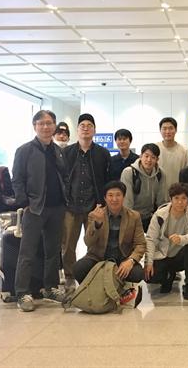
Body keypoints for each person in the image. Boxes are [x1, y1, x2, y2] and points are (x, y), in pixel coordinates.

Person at [12, 110, 68, 312]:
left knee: (53, 251)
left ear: (54, 126)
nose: (46, 127)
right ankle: (22, 292)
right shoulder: (24, 150)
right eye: (41, 123)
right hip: (35, 208)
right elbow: (17, 179)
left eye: (49, 123)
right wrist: (24, 202)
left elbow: (63, 176)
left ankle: (50, 287)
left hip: (57, 207)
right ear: (34, 126)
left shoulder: (58, 150)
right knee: (27, 252)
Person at [62, 113, 111, 291]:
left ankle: (95, 273)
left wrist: (103, 203)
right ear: (77, 130)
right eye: (82, 125)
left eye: (89, 125)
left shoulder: (102, 153)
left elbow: (107, 179)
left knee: (96, 242)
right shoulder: (66, 152)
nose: (86, 128)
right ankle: (69, 275)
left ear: (94, 130)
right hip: (71, 205)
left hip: (94, 206)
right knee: (68, 244)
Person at [72, 181, 145, 293]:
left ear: (123, 197)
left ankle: (119, 287)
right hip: (98, 258)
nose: (114, 199)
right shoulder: (94, 215)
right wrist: (97, 224)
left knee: (138, 273)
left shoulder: (134, 216)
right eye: (110, 195)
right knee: (78, 269)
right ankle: (96, 290)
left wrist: (130, 261)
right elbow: (88, 242)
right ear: (105, 198)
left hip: (122, 258)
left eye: (118, 195)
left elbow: (140, 244)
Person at [144, 183, 188, 300]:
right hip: (162, 255)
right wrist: (149, 262)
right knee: (151, 278)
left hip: (180, 255)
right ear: (171, 199)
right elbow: (150, 239)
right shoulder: (160, 215)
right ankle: (168, 276)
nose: (180, 202)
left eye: (184, 198)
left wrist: (181, 239)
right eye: (176, 198)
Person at [120, 143, 168, 233]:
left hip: (151, 218)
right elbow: (127, 202)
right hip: (132, 218)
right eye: (146, 156)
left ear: (157, 160)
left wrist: (161, 220)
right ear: (140, 156)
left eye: (153, 157)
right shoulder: (129, 173)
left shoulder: (160, 174)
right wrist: (130, 222)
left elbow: (162, 201)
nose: (149, 160)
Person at [157, 117, 188, 186]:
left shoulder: (184, 151)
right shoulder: (155, 149)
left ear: (176, 130)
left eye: (171, 128)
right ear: (160, 130)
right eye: (164, 128)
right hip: (157, 191)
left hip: (178, 191)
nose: (167, 132)